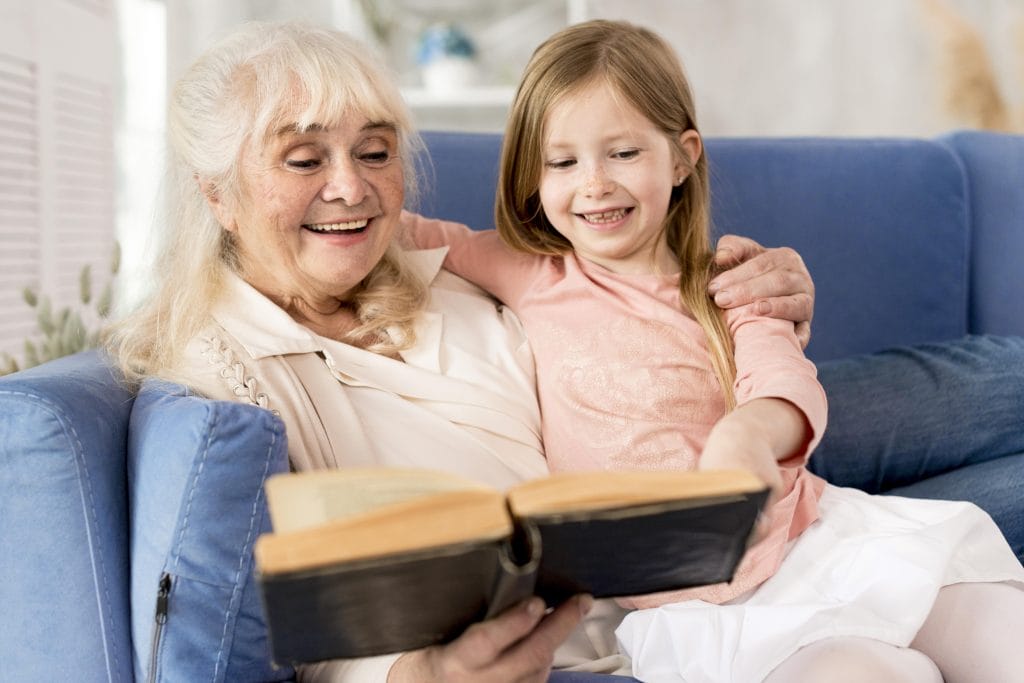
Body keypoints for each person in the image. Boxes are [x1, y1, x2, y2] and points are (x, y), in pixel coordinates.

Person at [104, 20, 824, 683]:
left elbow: (672, 356)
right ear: (218, 195)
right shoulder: (228, 372)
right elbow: (295, 624)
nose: (351, 186)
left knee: (891, 413)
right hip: (625, 628)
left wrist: (769, 301)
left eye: (376, 153)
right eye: (302, 159)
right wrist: (419, 674)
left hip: (733, 461)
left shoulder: (447, 273)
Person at [404, 19, 1024, 683]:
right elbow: (396, 230)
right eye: (562, 162)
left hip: (817, 543)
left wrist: (747, 436)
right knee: (872, 673)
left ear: (682, 157)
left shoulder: (728, 280)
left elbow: (784, 381)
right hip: (700, 609)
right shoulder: (528, 271)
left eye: (623, 153)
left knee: (998, 627)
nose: (594, 182)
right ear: (533, 176)